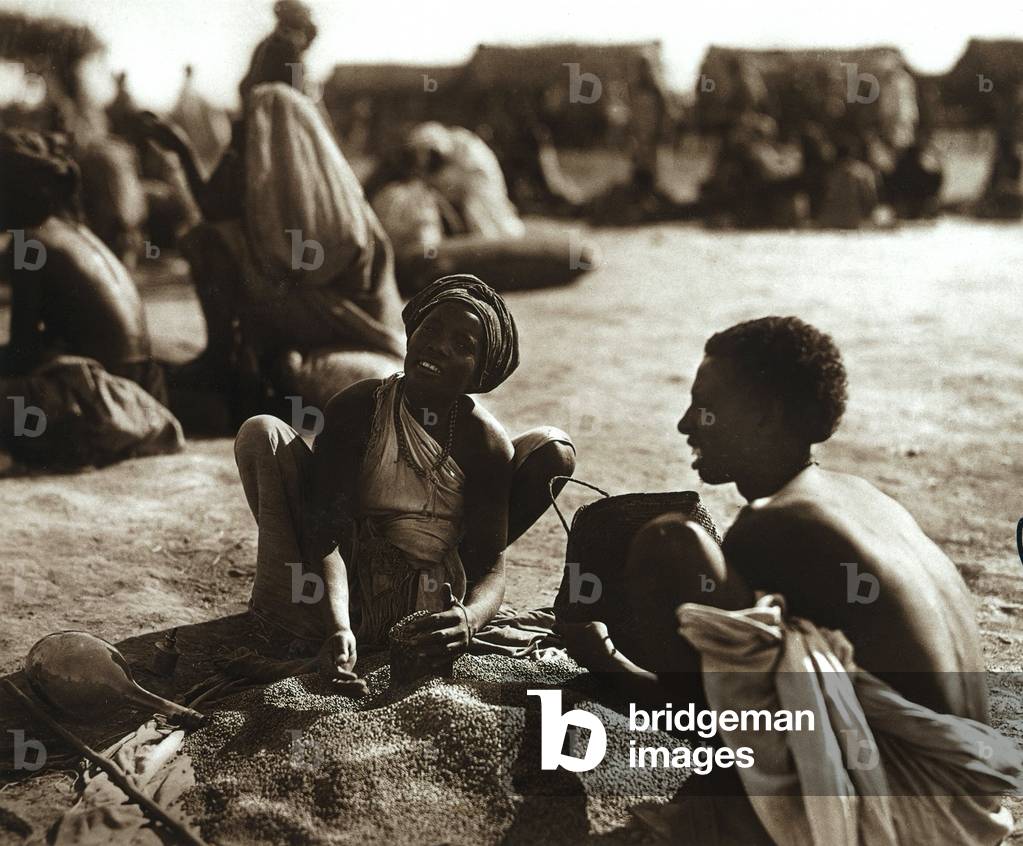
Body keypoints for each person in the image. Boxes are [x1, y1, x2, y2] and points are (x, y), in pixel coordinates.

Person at [562, 317, 1012, 843]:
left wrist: (609, 664)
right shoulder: (862, 496)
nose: (686, 424)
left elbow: (714, 716)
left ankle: (719, 813)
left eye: (705, 406)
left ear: (763, 416)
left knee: (670, 544)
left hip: (910, 822)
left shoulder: (776, 525)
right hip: (977, 811)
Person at [233, 275, 575, 673]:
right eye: (431, 329)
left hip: (434, 594)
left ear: (479, 372)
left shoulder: (486, 444)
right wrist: (339, 628)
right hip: (347, 585)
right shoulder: (358, 409)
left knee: (554, 446)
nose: (438, 345)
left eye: (462, 346)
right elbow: (326, 535)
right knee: (262, 432)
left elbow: (489, 567)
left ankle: (408, 621)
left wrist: (467, 620)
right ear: (412, 336)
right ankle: (325, 625)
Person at [140, 0, 403, 408]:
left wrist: (179, 149)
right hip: (355, 302)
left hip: (318, 304)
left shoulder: (260, 123)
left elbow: (213, 208)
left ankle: (221, 355)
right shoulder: (313, 129)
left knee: (204, 240)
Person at [0, 129, 165, 402]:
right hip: (144, 393)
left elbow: (23, 351)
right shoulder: (75, 231)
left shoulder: (27, 243)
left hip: (102, 401)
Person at [817, 136, 879, 229]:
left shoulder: (831, 173)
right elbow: (871, 197)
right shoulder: (863, 172)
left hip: (831, 220)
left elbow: (823, 196)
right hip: (854, 220)